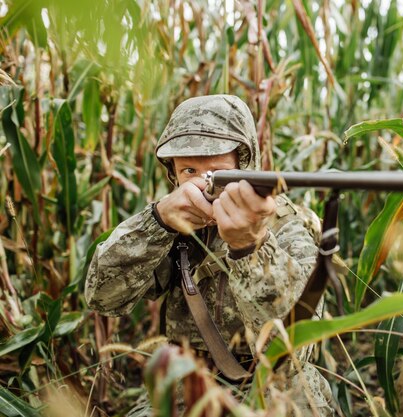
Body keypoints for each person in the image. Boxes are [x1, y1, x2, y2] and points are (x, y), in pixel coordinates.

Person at [85, 95, 334, 416]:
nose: (205, 185)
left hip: (276, 383)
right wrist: (157, 222)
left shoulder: (286, 224)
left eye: (218, 172)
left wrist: (250, 246)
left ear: (245, 168)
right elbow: (103, 297)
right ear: (173, 174)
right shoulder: (170, 223)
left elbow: (295, 345)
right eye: (189, 170)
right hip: (186, 378)